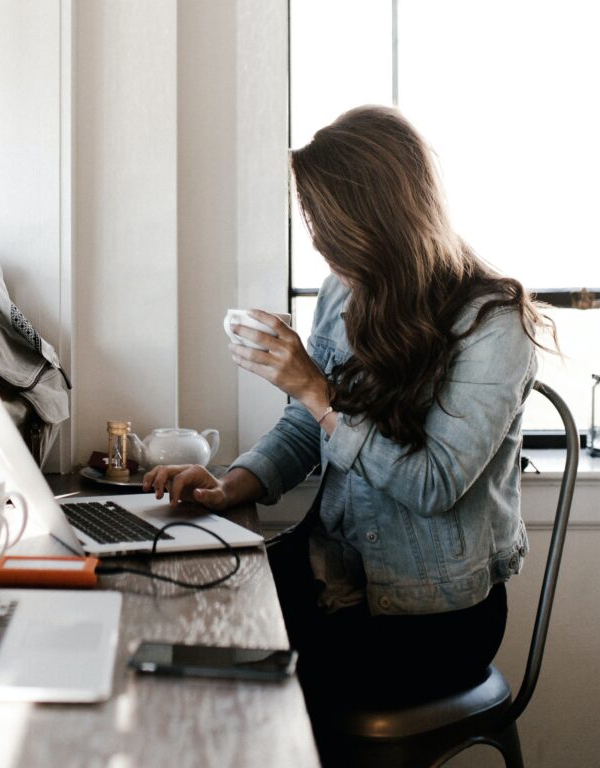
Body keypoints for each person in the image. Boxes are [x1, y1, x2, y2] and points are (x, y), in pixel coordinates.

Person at [143, 105, 555, 751]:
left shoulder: (493, 324)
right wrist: (234, 484)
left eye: (325, 223)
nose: (317, 241)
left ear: (378, 218)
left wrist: (314, 387)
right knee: (185, 617)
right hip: (333, 576)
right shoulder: (346, 293)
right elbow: (308, 424)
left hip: (434, 618)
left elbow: (434, 484)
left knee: (238, 692)